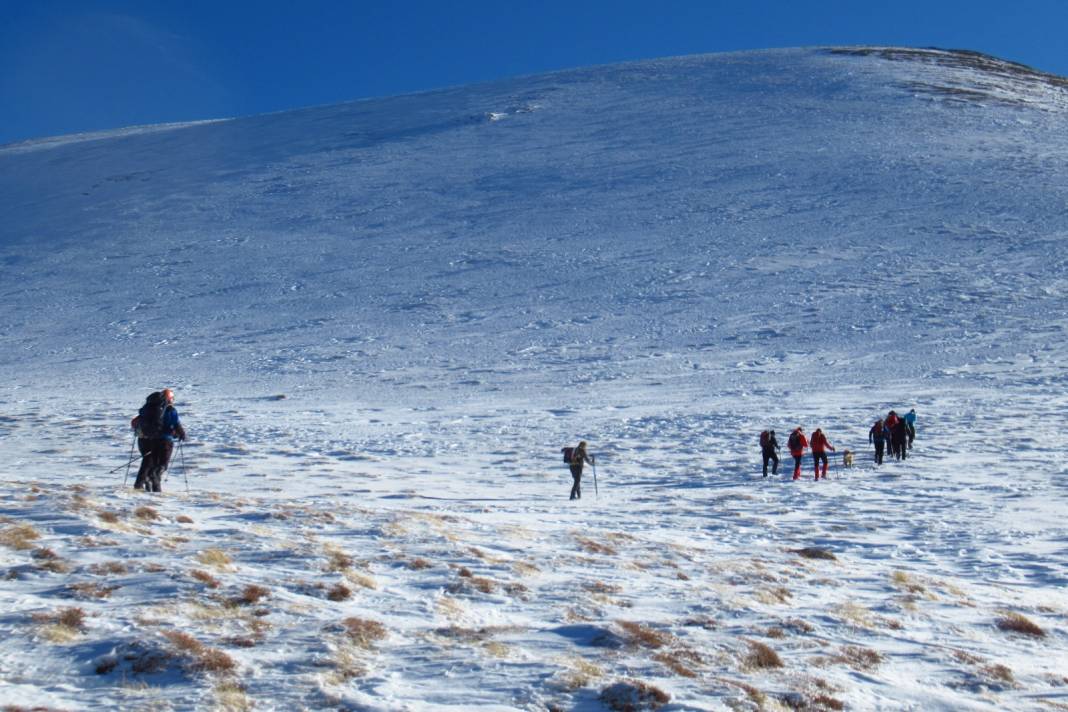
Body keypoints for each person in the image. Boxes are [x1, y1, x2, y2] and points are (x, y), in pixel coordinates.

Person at [131, 388, 186, 493]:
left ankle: (144, 484)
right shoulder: (170, 410)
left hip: (147, 439)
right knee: (161, 465)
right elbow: (175, 424)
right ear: (170, 399)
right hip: (165, 440)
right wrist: (180, 434)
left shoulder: (148, 409)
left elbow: (135, 422)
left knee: (148, 462)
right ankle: (154, 488)